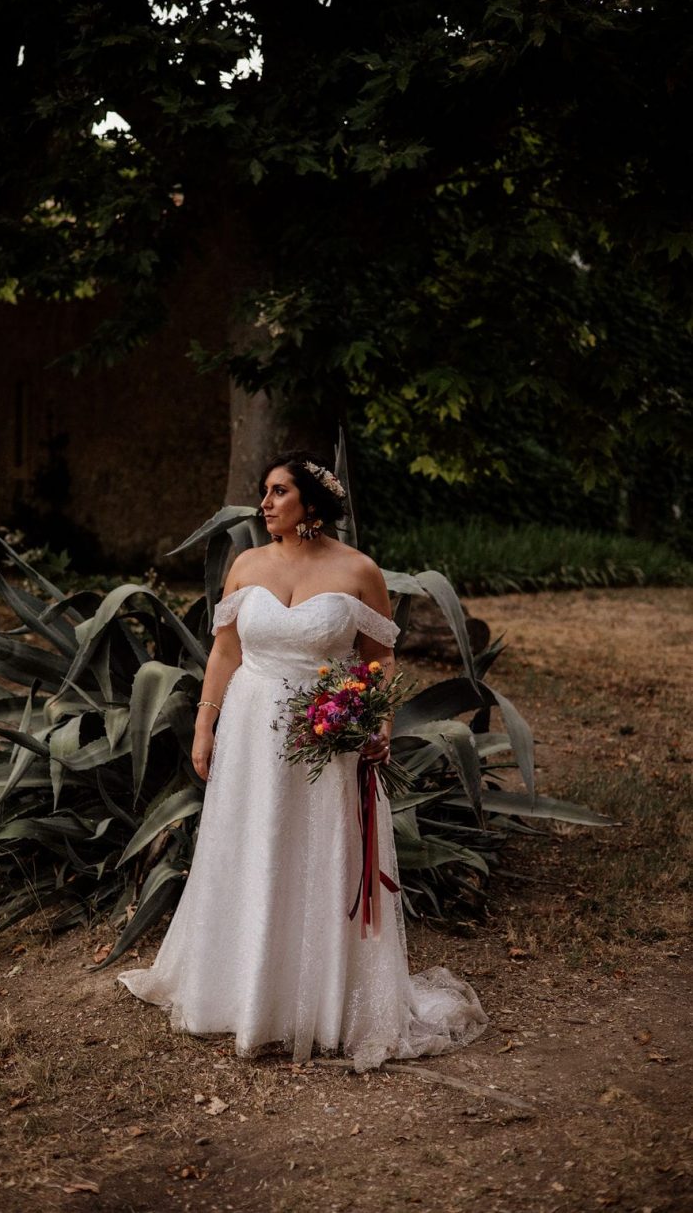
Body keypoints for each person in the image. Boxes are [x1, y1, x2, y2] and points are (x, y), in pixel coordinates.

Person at [118, 451, 488, 1071]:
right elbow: (225, 652)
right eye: (264, 492)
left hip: (329, 741)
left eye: (278, 491)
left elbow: (380, 660)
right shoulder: (247, 564)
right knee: (252, 846)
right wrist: (205, 724)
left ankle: (321, 1001)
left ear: (311, 505)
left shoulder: (358, 571)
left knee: (320, 853)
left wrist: (378, 725)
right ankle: (241, 992)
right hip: (250, 733)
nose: (264, 503)